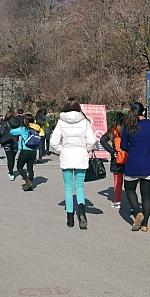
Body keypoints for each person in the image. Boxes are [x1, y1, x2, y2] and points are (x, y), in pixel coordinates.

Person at [50, 98, 96, 229]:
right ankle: (82, 214)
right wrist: (84, 149)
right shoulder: (84, 121)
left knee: (68, 187)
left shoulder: (61, 122)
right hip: (81, 156)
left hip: (67, 157)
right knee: (80, 186)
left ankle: (70, 219)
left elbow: (53, 143)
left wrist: (61, 151)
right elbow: (92, 141)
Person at [120, 102, 150, 232]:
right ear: (143, 112)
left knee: (130, 190)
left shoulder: (128, 125)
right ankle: (145, 224)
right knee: (146, 195)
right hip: (149, 163)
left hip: (133, 164)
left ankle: (137, 213)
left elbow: (124, 146)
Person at [100, 112, 126, 209]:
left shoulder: (113, 131)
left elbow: (102, 140)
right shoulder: (129, 129)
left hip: (117, 158)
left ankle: (117, 201)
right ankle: (133, 205)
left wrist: (112, 151)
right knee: (130, 183)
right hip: (129, 158)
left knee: (117, 181)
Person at [10, 114, 41, 191]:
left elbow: (11, 132)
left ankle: (27, 181)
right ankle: (30, 186)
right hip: (33, 151)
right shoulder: (36, 129)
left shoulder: (23, 129)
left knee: (19, 167)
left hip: (25, 151)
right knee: (30, 168)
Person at [0, 110, 19, 180]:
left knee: (9, 158)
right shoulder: (18, 122)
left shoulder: (5, 122)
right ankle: (11, 171)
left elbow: (1, 132)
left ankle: (11, 173)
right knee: (13, 157)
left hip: (7, 141)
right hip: (16, 141)